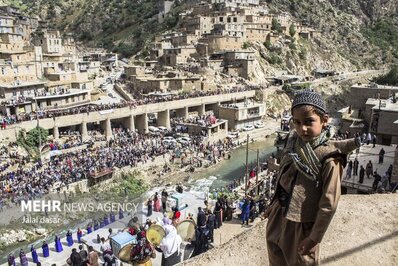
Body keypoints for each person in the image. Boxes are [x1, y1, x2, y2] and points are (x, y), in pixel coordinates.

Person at [265, 90, 360, 265]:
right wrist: (273, 206)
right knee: (276, 259)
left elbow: (328, 204)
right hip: (279, 216)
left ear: (324, 120)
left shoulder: (330, 158)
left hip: (302, 225)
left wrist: (314, 238)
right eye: (297, 122)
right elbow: (283, 176)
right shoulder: (294, 142)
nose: (302, 128)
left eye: (309, 121)